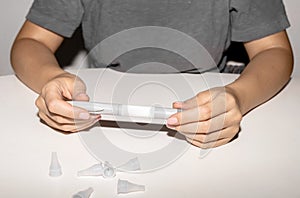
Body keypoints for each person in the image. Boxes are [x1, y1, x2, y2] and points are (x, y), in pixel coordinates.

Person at [10, 0, 293, 148]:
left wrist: (239, 96)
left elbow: (274, 50)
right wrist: (50, 79)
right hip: (96, 106)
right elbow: (30, 43)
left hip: (209, 104)